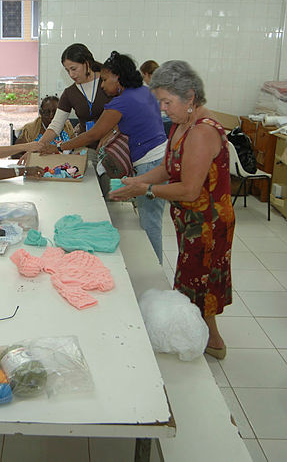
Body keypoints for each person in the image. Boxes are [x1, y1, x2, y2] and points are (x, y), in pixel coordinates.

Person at [109, 60, 234, 360]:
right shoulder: (181, 125)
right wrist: (138, 180)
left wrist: (146, 191)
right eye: (160, 102)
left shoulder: (203, 132)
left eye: (167, 102)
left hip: (208, 222)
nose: (163, 109)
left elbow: (190, 189)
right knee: (194, 282)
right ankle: (207, 337)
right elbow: (168, 168)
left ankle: (209, 341)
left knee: (198, 284)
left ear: (190, 97)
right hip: (191, 219)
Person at [42, 51, 167, 263]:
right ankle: (154, 268)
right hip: (161, 157)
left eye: (106, 80)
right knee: (152, 218)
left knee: (150, 221)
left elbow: (92, 134)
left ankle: (156, 273)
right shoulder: (143, 92)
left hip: (150, 163)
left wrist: (60, 147)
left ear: (118, 77)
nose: (102, 85)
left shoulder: (121, 102)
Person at [36, 43, 111, 147]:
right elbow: (56, 125)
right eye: (67, 71)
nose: (71, 74)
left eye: (74, 69)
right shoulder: (70, 93)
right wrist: (37, 147)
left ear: (87, 63)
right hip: (88, 147)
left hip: (112, 144)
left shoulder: (108, 83)